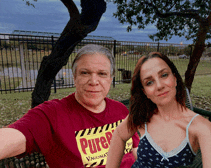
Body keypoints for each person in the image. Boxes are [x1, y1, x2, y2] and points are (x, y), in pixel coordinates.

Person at [0, 44, 139, 168]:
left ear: (110, 79)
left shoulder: (120, 110)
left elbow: (134, 148)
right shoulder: (52, 115)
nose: (93, 81)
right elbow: (15, 136)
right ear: (74, 78)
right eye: (85, 73)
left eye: (102, 74)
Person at [106, 52, 211, 168]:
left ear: (175, 78)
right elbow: (119, 135)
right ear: (145, 92)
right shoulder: (143, 116)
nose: (159, 86)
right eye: (149, 82)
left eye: (164, 75)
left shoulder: (201, 127)